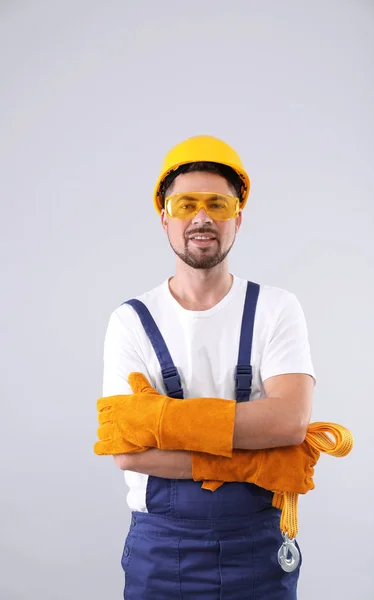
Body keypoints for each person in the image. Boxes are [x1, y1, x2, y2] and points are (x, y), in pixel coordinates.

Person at [96, 135, 317, 599]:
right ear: (164, 219)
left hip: (257, 551)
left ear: (238, 216)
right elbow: (129, 453)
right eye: (185, 204)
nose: (202, 217)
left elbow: (290, 422)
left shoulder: (276, 309)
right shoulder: (132, 321)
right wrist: (258, 455)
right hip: (161, 552)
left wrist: (161, 421)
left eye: (218, 203)